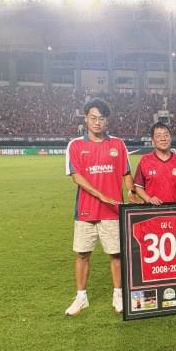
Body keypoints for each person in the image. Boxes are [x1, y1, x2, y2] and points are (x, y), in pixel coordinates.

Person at [64, 98, 134, 316]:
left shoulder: (118, 144)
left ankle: (118, 295)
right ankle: (81, 297)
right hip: (86, 210)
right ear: (86, 119)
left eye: (101, 118)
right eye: (93, 118)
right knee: (82, 254)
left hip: (113, 211)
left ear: (107, 121)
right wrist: (101, 195)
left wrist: (131, 193)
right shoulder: (76, 145)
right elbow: (76, 176)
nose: (97, 122)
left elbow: (126, 173)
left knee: (116, 254)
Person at [134, 123, 176, 204]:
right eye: (158, 136)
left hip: (174, 209)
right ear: (153, 141)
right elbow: (138, 187)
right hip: (152, 210)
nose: (163, 139)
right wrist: (149, 199)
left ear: (170, 139)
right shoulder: (145, 160)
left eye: (166, 135)